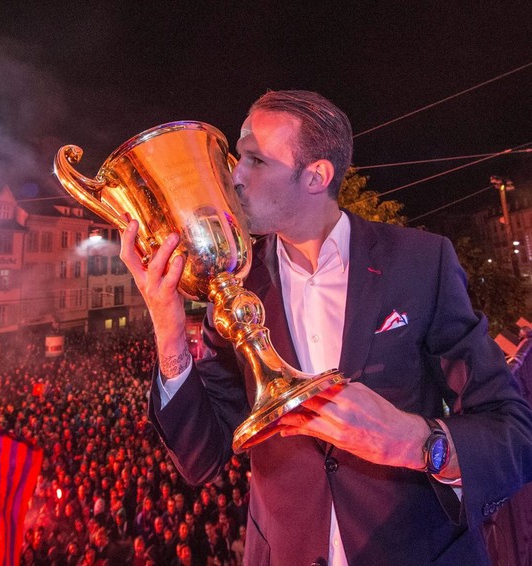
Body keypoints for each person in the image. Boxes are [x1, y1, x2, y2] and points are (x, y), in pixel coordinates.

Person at [119, 89, 532, 564]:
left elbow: (513, 433)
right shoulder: (235, 283)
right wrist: (167, 328)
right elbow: (201, 459)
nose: (234, 175)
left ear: (316, 176)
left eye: (255, 160)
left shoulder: (420, 261)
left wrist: (417, 442)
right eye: (238, 157)